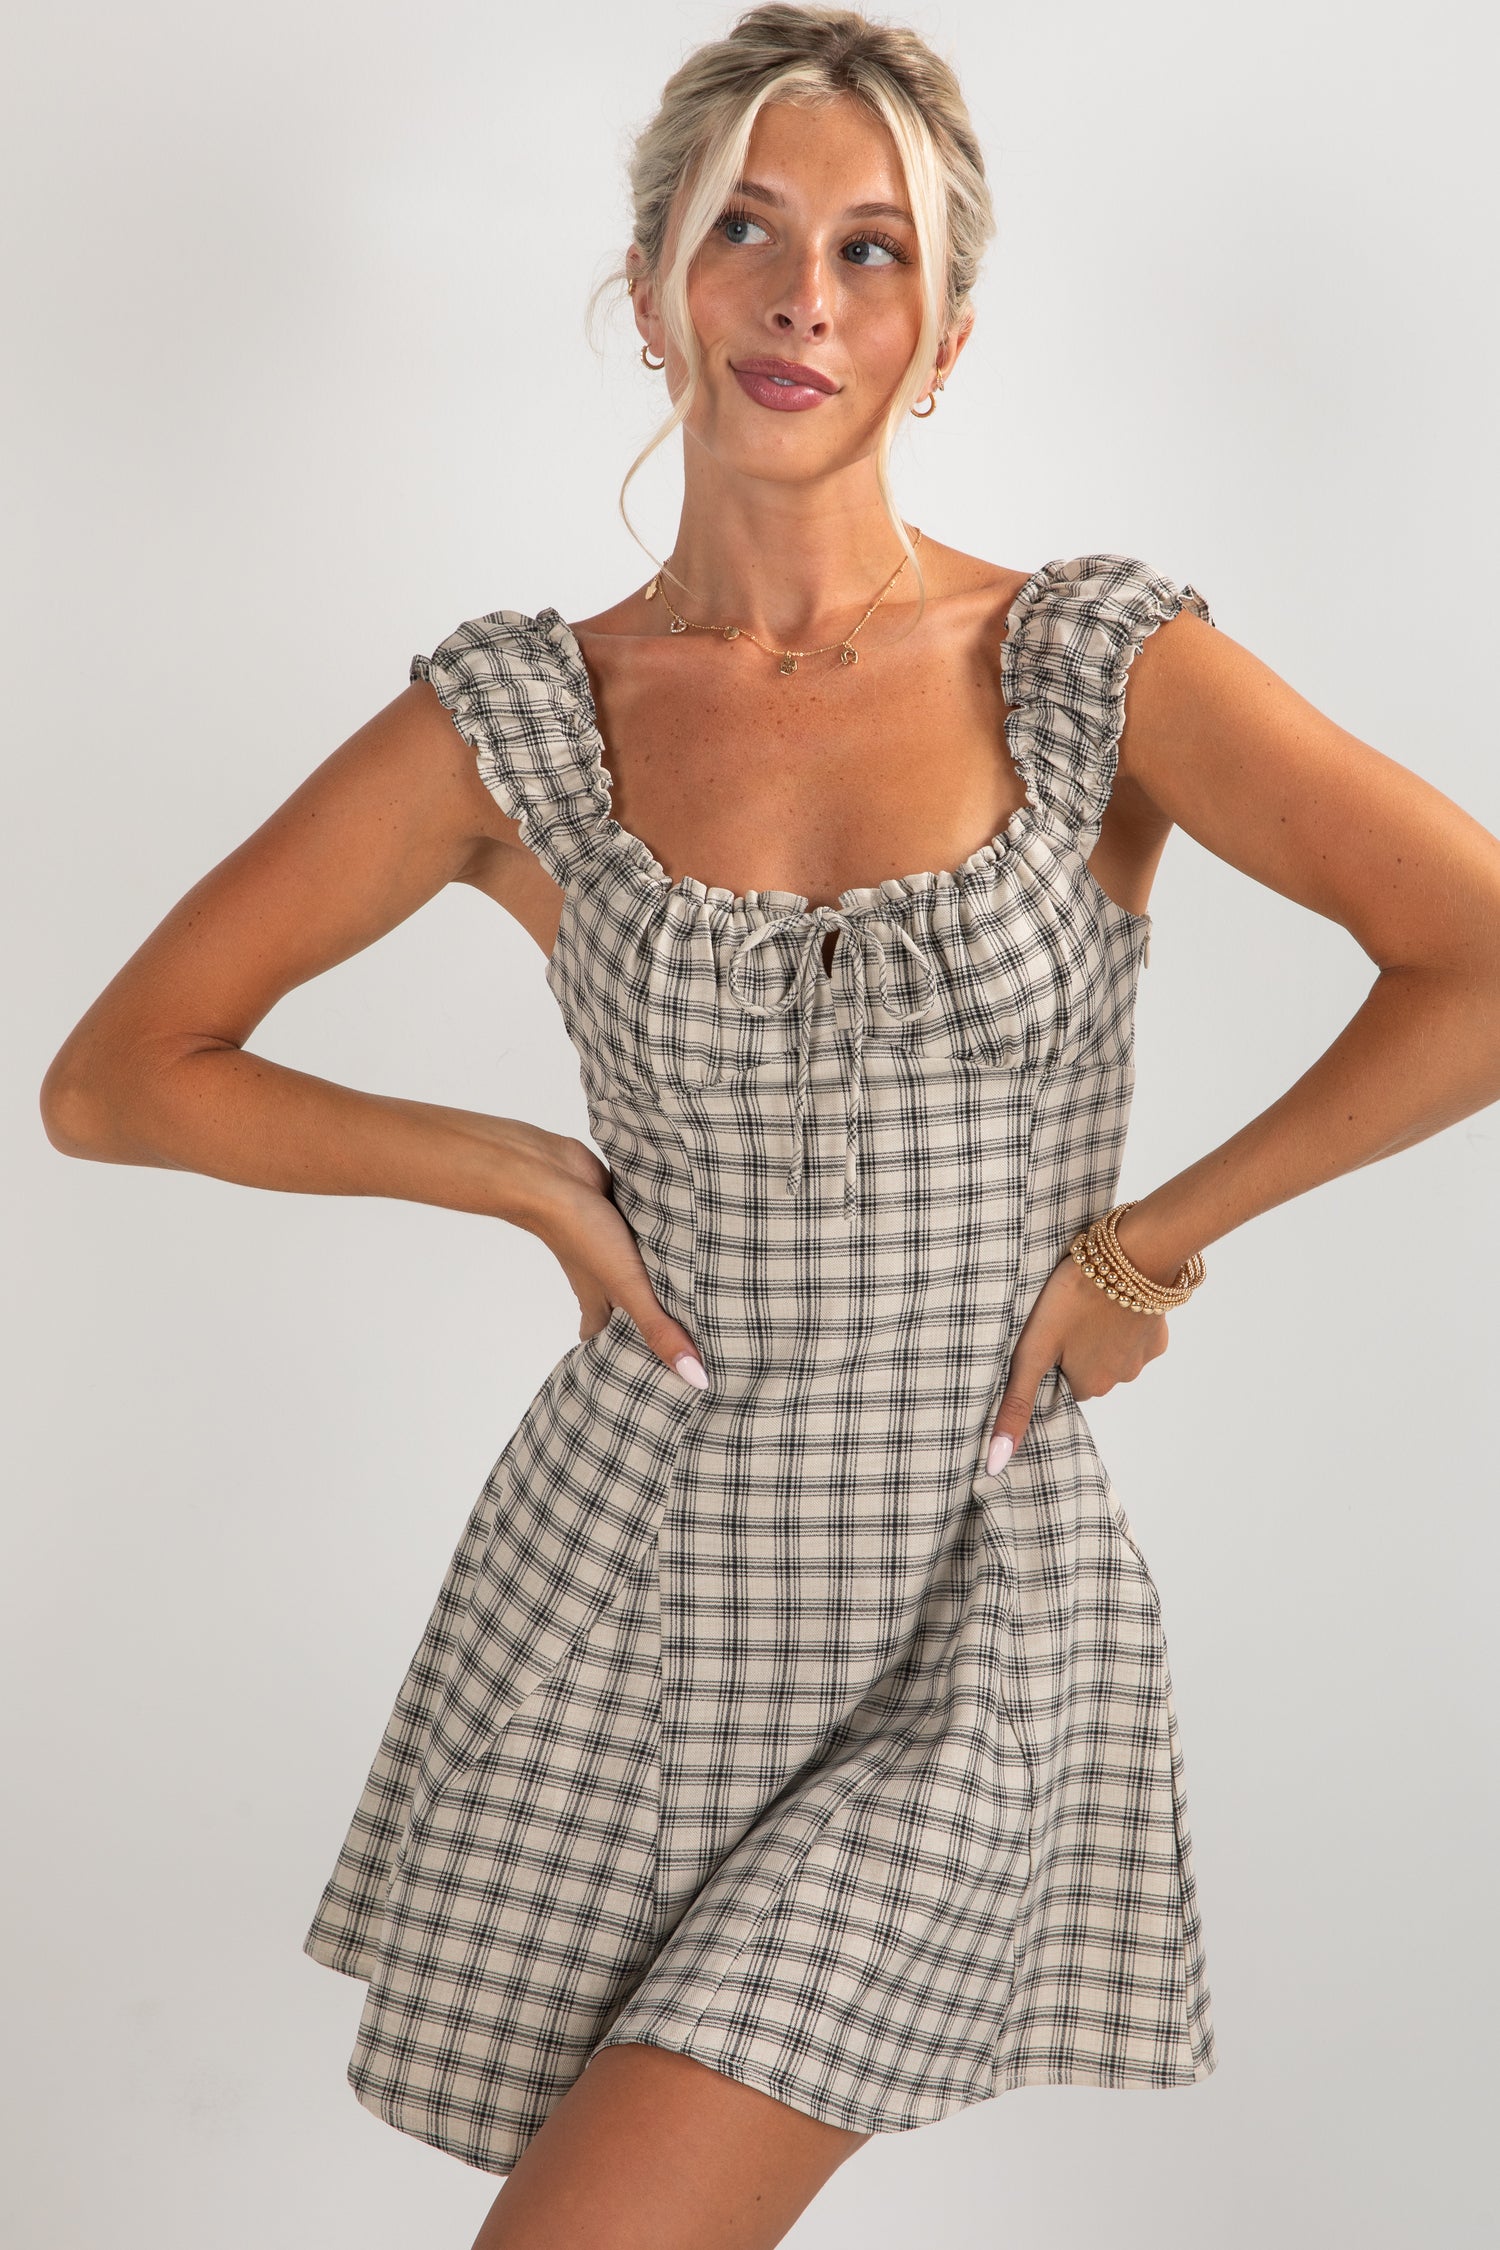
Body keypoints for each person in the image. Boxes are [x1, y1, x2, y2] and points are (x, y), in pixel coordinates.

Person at [38, 6, 1500, 2247]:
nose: (806, 295)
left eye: (873, 249)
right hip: (632, 1597)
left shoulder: (1090, 665)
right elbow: (121, 1076)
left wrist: (1150, 1246)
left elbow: (1477, 954)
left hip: (968, 1602)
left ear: (951, 331)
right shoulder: (522, 718)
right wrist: (519, 1170)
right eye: (747, 230)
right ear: (653, 295)